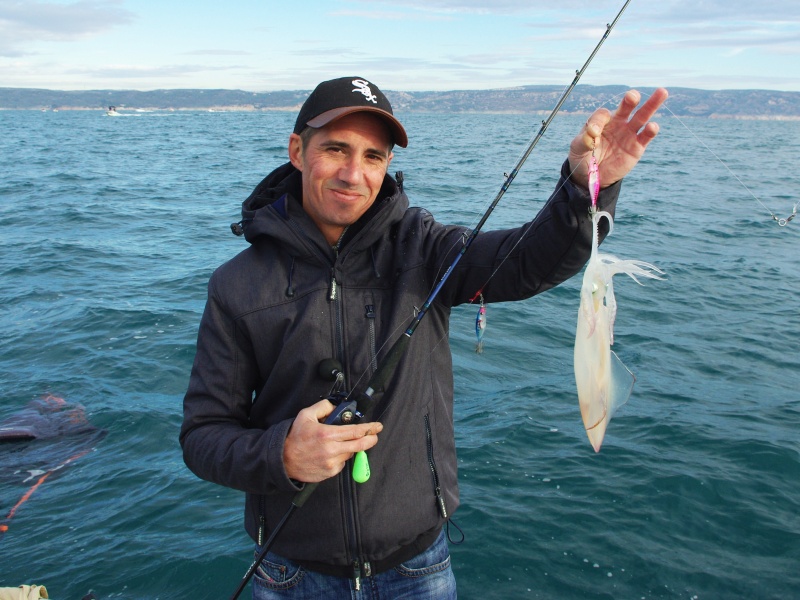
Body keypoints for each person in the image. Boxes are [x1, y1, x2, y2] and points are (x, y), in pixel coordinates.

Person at [180, 76, 668, 599]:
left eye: (373, 156)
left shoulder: (426, 247)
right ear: (297, 151)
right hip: (290, 571)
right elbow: (203, 437)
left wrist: (584, 188)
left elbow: (528, 262)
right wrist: (282, 455)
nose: (353, 173)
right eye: (335, 149)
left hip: (416, 570)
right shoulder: (236, 285)